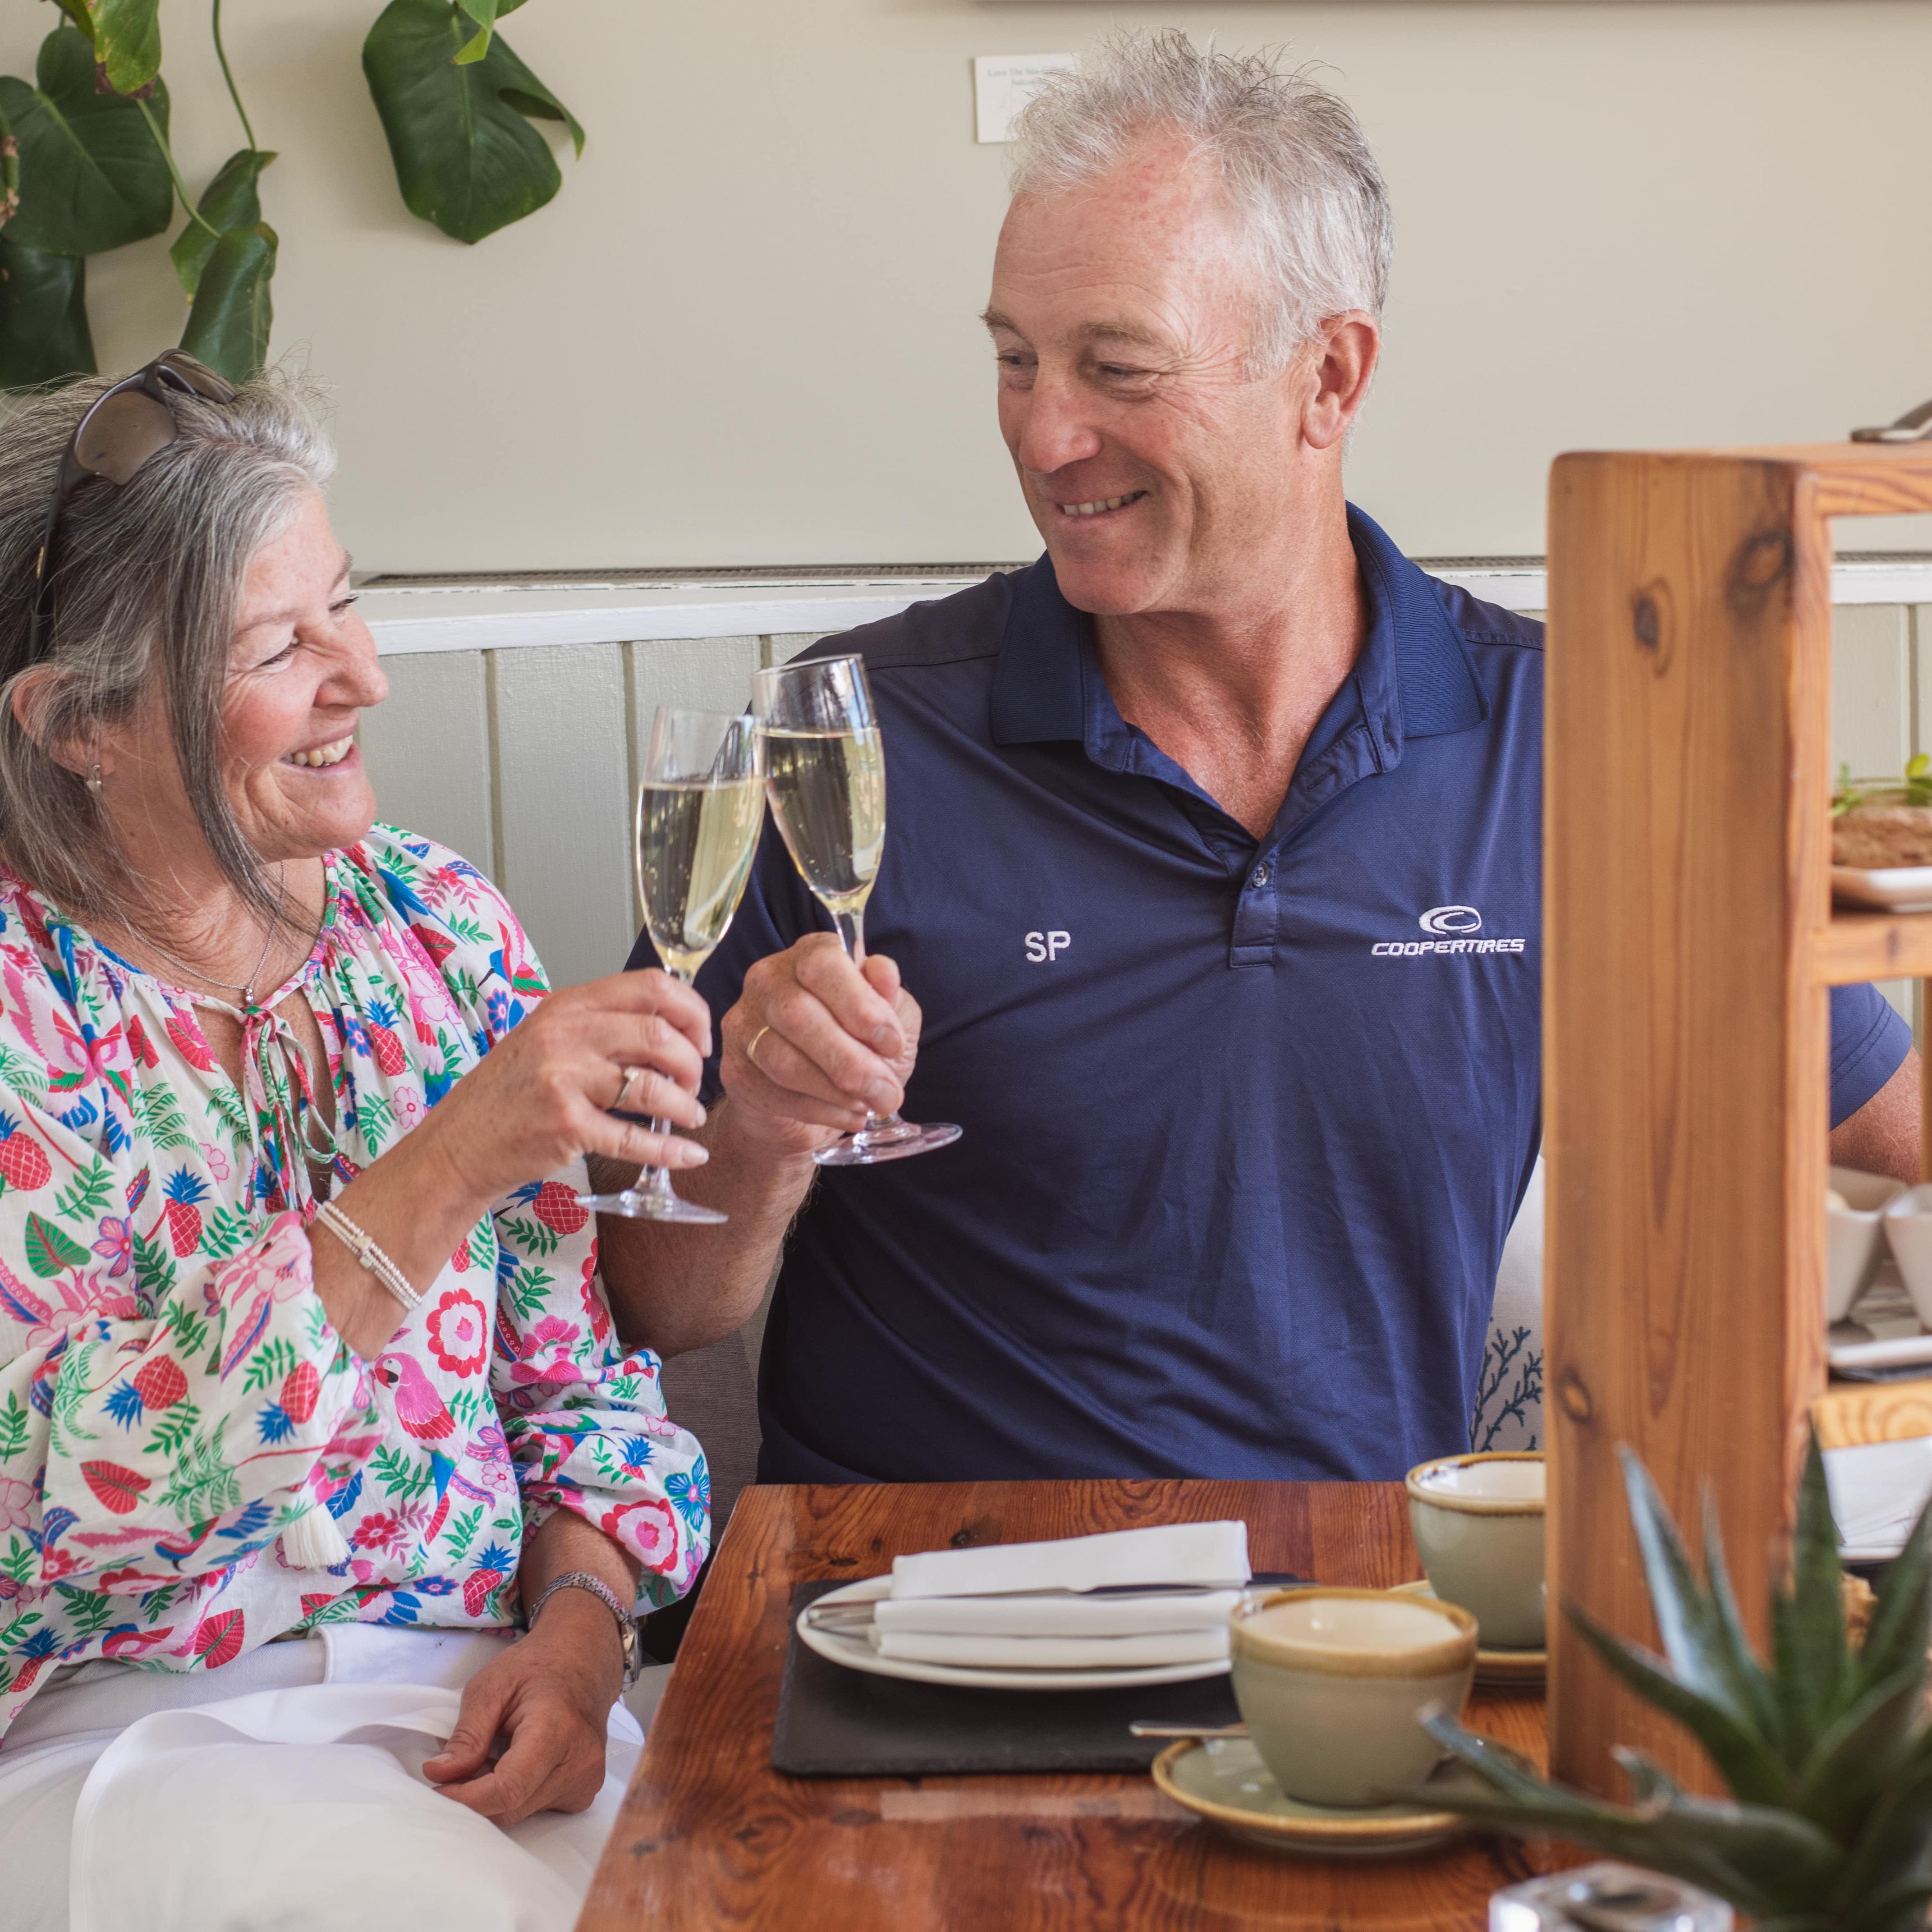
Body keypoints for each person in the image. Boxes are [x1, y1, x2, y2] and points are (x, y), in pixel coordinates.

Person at [597, 32, 1919, 1487]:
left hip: (1349, 1638)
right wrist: (772, 1128)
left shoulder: (1589, 739)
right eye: (1016, 360)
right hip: (898, 1612)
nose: (1044, 432)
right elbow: (660, 1307)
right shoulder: (852, 735)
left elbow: (1895, 1132)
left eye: (1118, 367)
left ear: (1329, 379)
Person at [0, 356, 718, 1930]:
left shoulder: (437, 927)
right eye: (278, 644)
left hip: (482, 1708)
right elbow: (65, 1516)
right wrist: (448, 1162)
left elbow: (582, 1387)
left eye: (346, 601)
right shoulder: (18, 1008)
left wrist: (583, 1631)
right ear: (78, 725)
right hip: (132, 1731)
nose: (364, 674)